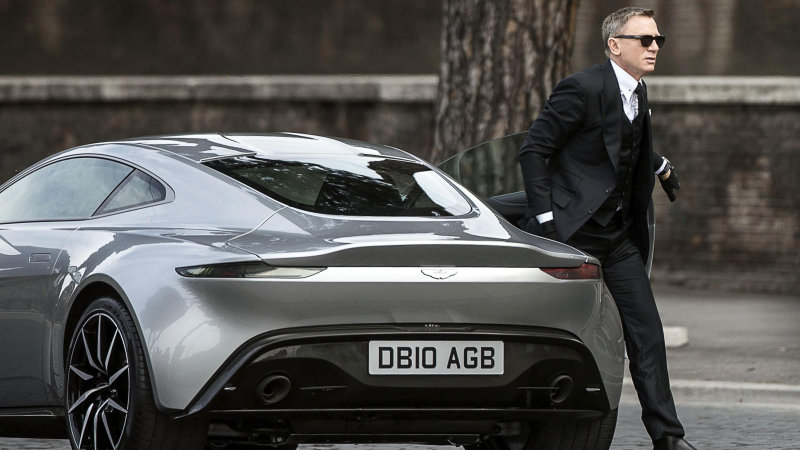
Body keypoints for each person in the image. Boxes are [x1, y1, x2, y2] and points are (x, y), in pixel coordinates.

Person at [518, 6, 695, 450]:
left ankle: (668, 438)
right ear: (615, 45)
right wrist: (545, 222)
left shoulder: (638, 91)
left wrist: (658, 163)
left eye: (658, 40)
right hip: (571, 234)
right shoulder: (582, 86)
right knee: (555, 332)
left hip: (616, 238)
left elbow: (618, 143)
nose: (655, 47)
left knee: (647, 334)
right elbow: (534, 151)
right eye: (645, 40)